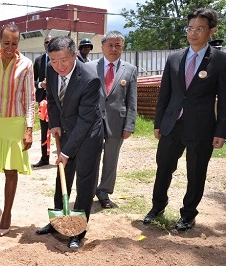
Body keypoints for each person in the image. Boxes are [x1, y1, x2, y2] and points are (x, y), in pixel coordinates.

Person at [142, 8, 226, 230]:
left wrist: (221, 131)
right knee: (163, 167)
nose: (194, 33)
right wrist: (159, 123)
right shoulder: (174, 58)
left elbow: (225, 99)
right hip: (171, 125)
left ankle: (188, 214)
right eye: (190, 28)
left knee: (196, 172)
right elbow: (165, 94)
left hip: (201, 127)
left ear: (211, 31)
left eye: (200, 28)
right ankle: (157, 206)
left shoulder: (220, 60)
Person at [35, 36, 103, 250]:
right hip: (65, 129)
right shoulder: (50, 68)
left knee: (85, 180)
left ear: (75, 55)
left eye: (64, 60)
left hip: (88, 133)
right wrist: (54, 122)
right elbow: (52, 98)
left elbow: (85, 121)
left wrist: (66, 152)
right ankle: (58, 222)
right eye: (54, 61)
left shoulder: (90, 79)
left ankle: (78, 230)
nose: (59, 66)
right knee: (62, 176)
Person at [0, 23, 35, 236]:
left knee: (11, 171)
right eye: (6, 43)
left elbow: (30, 98)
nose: (10, 47)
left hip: (14, 122)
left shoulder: (27, 65)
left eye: (14, 43)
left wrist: (29, 129)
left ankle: (8, 213)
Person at [86, 31, 138, 209]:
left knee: (111, 159)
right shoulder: (90, 67)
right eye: (110, 45)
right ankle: (88, 190)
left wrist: (129, 125)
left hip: (118, 122)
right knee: (91, 157)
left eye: (118, 45)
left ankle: (104, 192)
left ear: (122, 48)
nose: (114, 49)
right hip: (92, 121)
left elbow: (132, 100)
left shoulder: (130, 69)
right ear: (102, 47)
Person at [32, 34, 53, 168]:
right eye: (46, 42)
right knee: (44, 131)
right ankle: (45, 158)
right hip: (42, 101)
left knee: (60, 129)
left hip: (57, 101)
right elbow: (32, 80)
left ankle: (64, 157)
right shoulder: (39, 61)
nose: (48, 44)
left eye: (51, 42)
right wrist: (41, 85)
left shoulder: (60, 59)